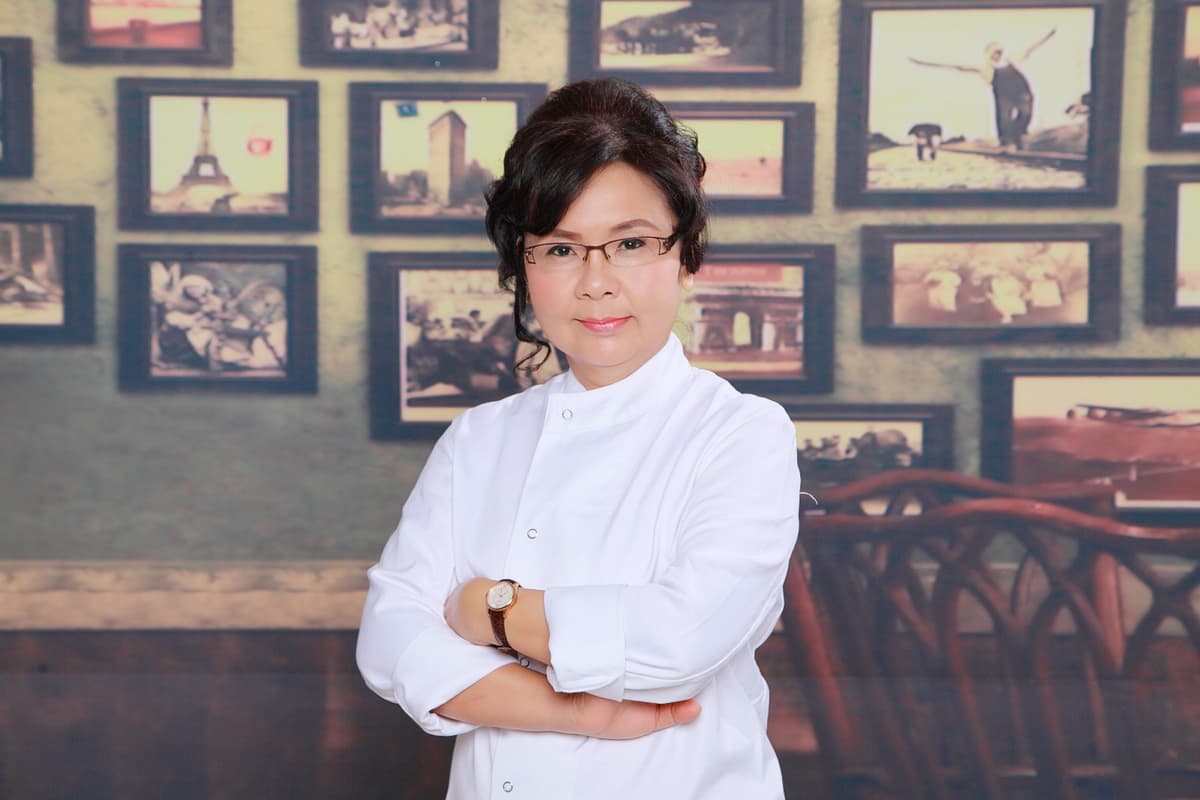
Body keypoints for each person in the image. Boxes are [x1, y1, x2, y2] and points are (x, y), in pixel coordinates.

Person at [355, 77, 802, 799]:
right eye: (561, 249)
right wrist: (580, 712)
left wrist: (488, 607)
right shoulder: (477, 439)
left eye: (630, 243)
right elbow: (389, 642)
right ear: (523, 268)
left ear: (685, 256)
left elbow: (678, 643)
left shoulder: (740, 432)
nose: (596, 282)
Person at [910, 29, 1056, 150]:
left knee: (1025, 113)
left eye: (999, 52)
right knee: (1004, 118)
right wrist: (926, 63)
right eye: (995, 53)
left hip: (1022, 91)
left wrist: (1048, 35)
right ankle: (1006, 141)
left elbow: (1031, 48)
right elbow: (956, 65)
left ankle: (1018, 134)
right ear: (989, 54)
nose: (998, 55)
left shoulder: (1012, 59)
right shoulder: (985, 68)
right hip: (1003, 95)